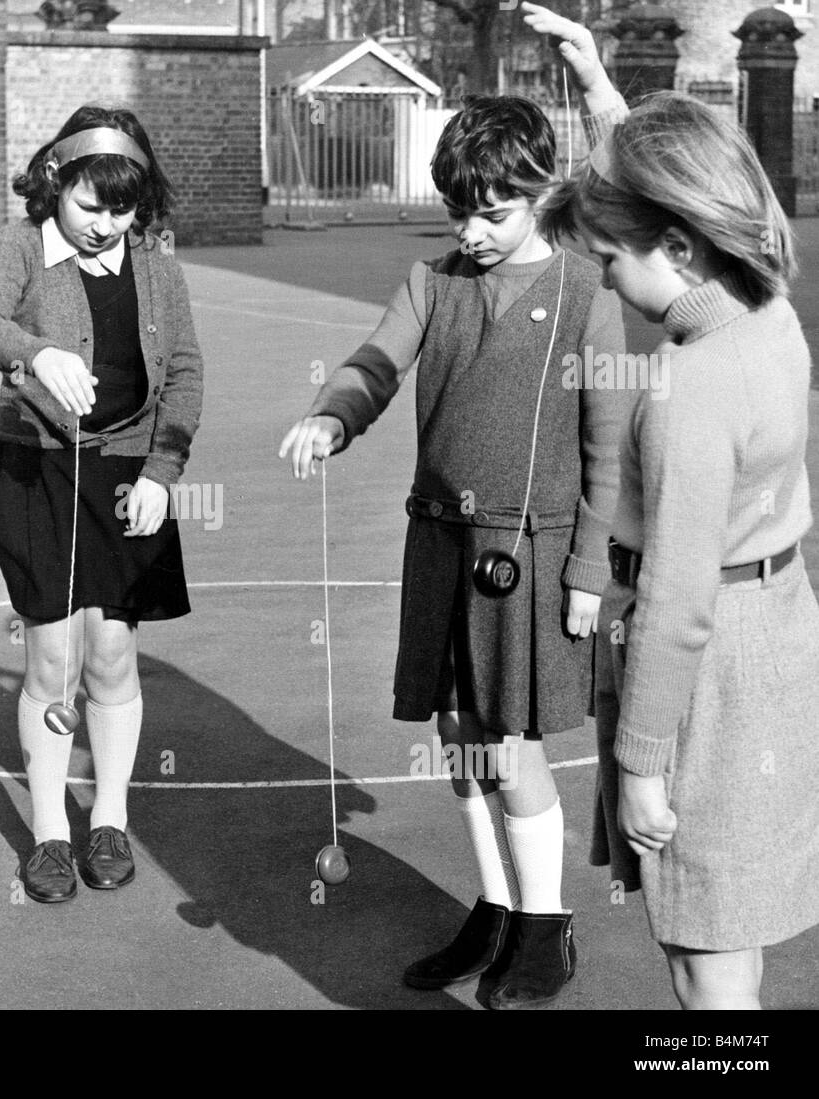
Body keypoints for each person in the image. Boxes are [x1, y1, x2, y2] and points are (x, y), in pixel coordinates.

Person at [280, 92, 629, 1007]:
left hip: (528, 553)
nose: (471, 230)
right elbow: (377, 362)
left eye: (494, 211)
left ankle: (546, 927)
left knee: (510, 749)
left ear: (542, 193)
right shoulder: (432, 282)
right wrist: (332, 414)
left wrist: (591, 569)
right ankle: (497, 903)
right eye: (459, 210)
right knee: (458, 740)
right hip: (439, 539)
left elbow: (607, 451)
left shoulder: (587, 295)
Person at [524, 1, 819, 1010]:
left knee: (704, 960)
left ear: (681, 248)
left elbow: (676, 601)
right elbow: (693, 187)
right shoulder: (768, 305)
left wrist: (641, 764)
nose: (601, 271)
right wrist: (604, 94)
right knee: (732, 924)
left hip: (709, 668)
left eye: (609, 255)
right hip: (775, 636)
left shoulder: (687, 388)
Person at [0, 106, 203, 903]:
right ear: (58, 180)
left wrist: (163, 473)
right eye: (91, 205)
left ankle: (109, 816)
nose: (105, 225)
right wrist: (38, 353)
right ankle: (50, 834)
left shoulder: (157, 264)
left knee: (112, 656)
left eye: (123, 210)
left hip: (128, 473)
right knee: (53, 659)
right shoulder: (24, 246)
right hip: (34, 470)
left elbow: (187, 371)